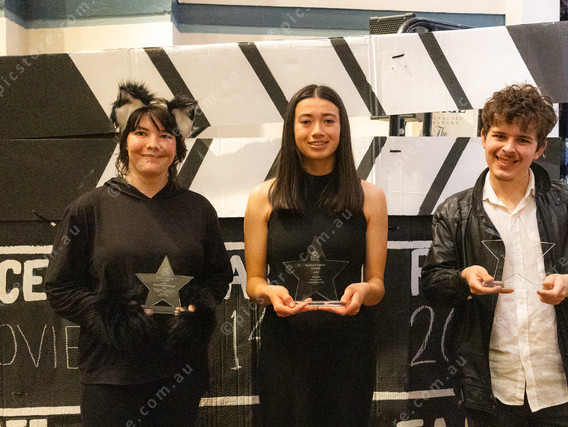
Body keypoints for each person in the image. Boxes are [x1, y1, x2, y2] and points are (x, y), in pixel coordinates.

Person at [421, 83, 568, 426]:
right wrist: (463, 279)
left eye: (523, 140)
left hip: (564, 390)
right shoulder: (454, 212)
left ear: (539, 148)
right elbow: (433, 285)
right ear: (483, 137)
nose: (508, 149)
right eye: (499, 135)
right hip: (492, 392)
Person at [44, 82, 233, 427]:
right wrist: (112, 317)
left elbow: (218, 276)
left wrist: (197, 309)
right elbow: (60, 287)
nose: (153, 144)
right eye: (141, 133)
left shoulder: (199, 209)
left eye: (165, 135)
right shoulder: (89, 208)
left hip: (180, 375)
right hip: (110, 377)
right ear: (124, 141)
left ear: (177, 146)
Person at [243, 84, 387, 426]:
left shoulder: (371, 197)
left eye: (329, 121)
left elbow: (377, 285)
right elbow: (253, 282)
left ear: (342, 128)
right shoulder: (263, 197)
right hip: (285, 351)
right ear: (291, 129)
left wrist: (365, 291)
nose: (318, 131)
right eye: (306, 121)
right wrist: (268, 292)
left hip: (349, 353)